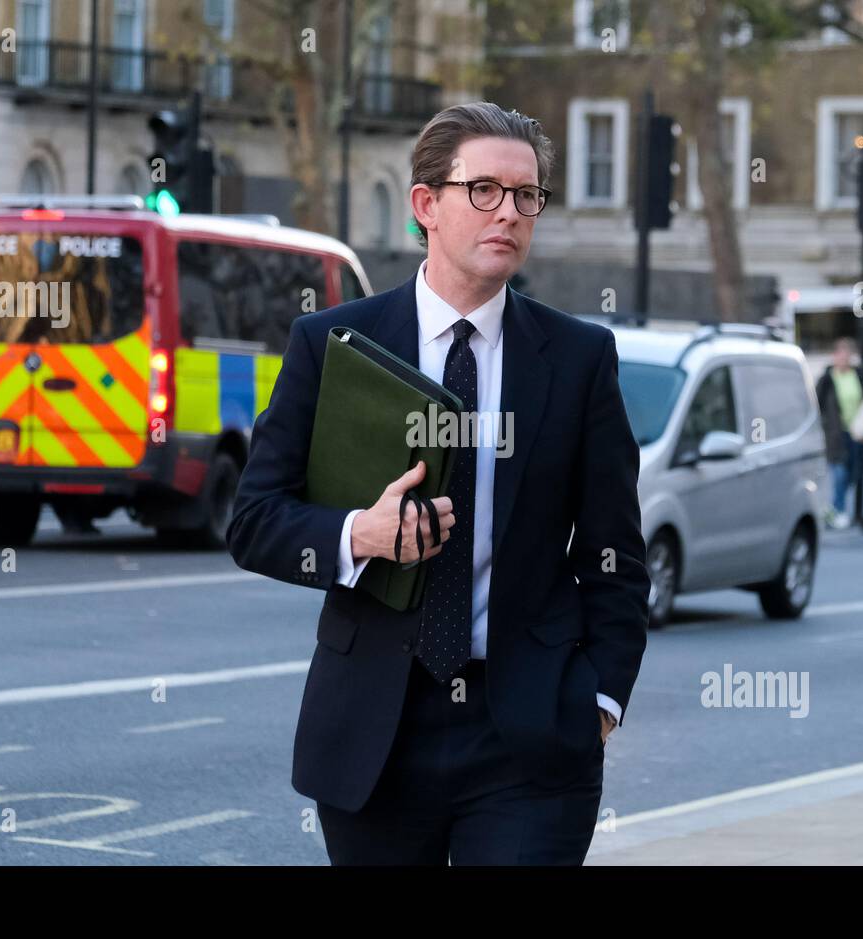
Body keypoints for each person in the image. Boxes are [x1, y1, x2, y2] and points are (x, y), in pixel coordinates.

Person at [226, 102, 649, 865]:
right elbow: (255, 519)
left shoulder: (580, 358)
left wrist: (600, 702)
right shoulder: (331, 345)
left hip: (528, 736)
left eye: (527, 196)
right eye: (484, 190)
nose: (509, 213)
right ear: (426, 205)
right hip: (375, 733)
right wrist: (359, 535)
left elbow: (615, 553)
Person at [815, 337, 863, 529]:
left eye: (847, 355)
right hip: (836, 433)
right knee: (840, 473)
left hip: (856, 431)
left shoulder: (857, 375)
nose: (844, 359)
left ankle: (833, 508)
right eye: (841, 355)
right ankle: (839, 509)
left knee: (854, 471)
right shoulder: (827, 379)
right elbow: (817, 404)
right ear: (834, 356)